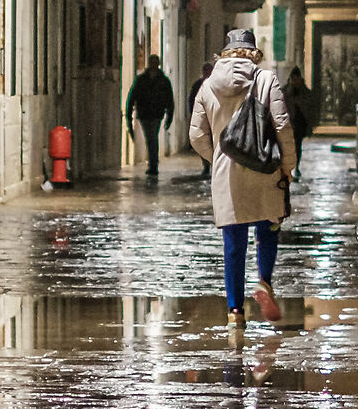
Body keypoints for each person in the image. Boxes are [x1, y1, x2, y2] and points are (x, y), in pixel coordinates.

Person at [189, 27, 297, 324]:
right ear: (253, 52)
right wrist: (288, 165)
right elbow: (283, 125)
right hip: (265, 169)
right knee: (268, 229)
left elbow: (196, 135)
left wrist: (219, 160)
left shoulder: (208, 86)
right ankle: (264, 281)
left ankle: (235, 310)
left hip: (227, 176)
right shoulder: (265, 79)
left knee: (233, 244)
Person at [125, 53, 175, 177]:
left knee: (151, 137)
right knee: (151, 137)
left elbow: (169, 99)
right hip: (145, 113)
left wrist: (169, 116)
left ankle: (153, 164)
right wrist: (129, 112)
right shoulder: (143, 79)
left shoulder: (162, 80)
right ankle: (153, 163)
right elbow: (133, 96)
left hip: (156, 113)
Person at [284, 65, 314, 179]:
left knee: (297, 146)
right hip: (289, 123)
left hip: (299, 124)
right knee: (288, 146)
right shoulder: (286, 91)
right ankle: (290, 167)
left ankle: (295, 167)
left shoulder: (304, 92)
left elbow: (309, 108)